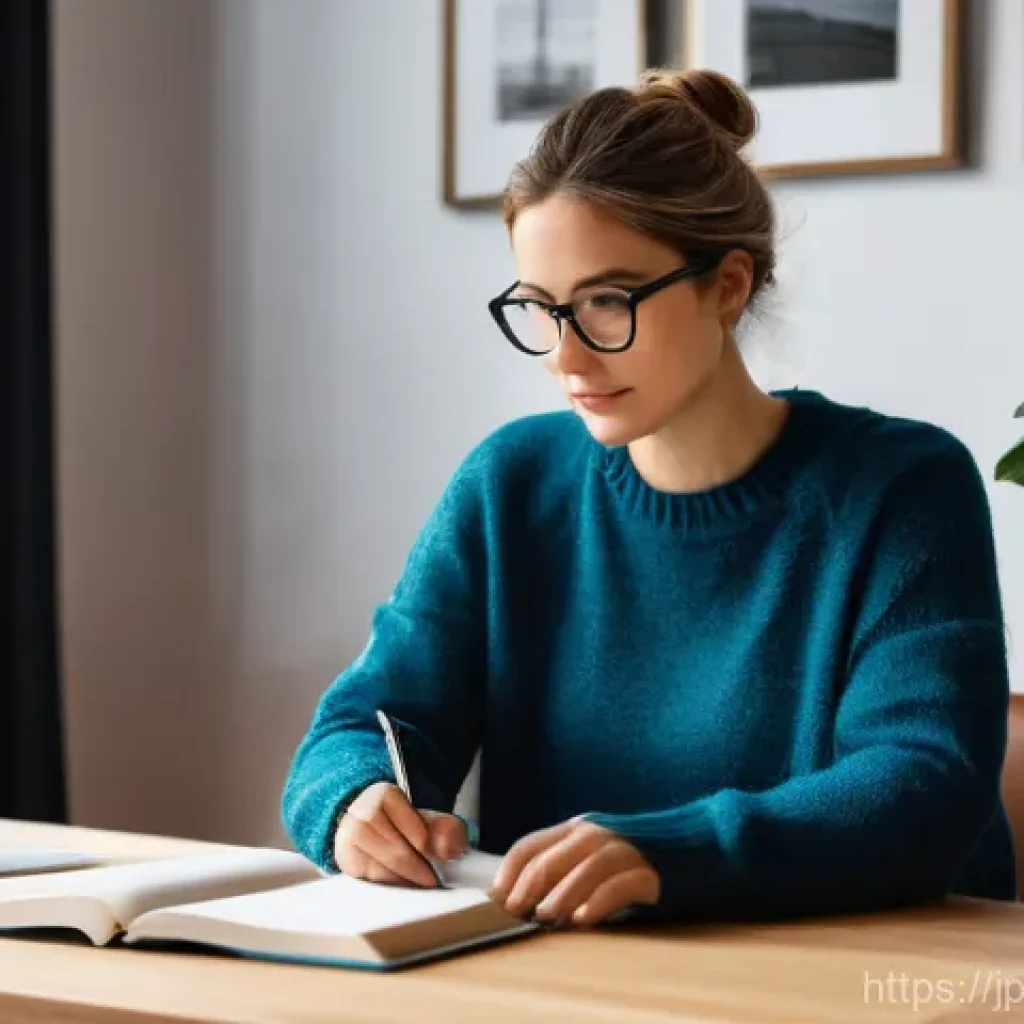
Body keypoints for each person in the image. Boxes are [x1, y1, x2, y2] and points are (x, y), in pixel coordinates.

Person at [280, 68, 1016, 927]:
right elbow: (360, 724)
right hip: (572, 985)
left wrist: (675, 852)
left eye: (605, 302)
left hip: (865, 984)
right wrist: (354, 802)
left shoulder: (903, 488)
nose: (567, 357)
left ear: (729, 285)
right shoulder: (511, 485)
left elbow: (923, 784)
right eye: (542, 308)